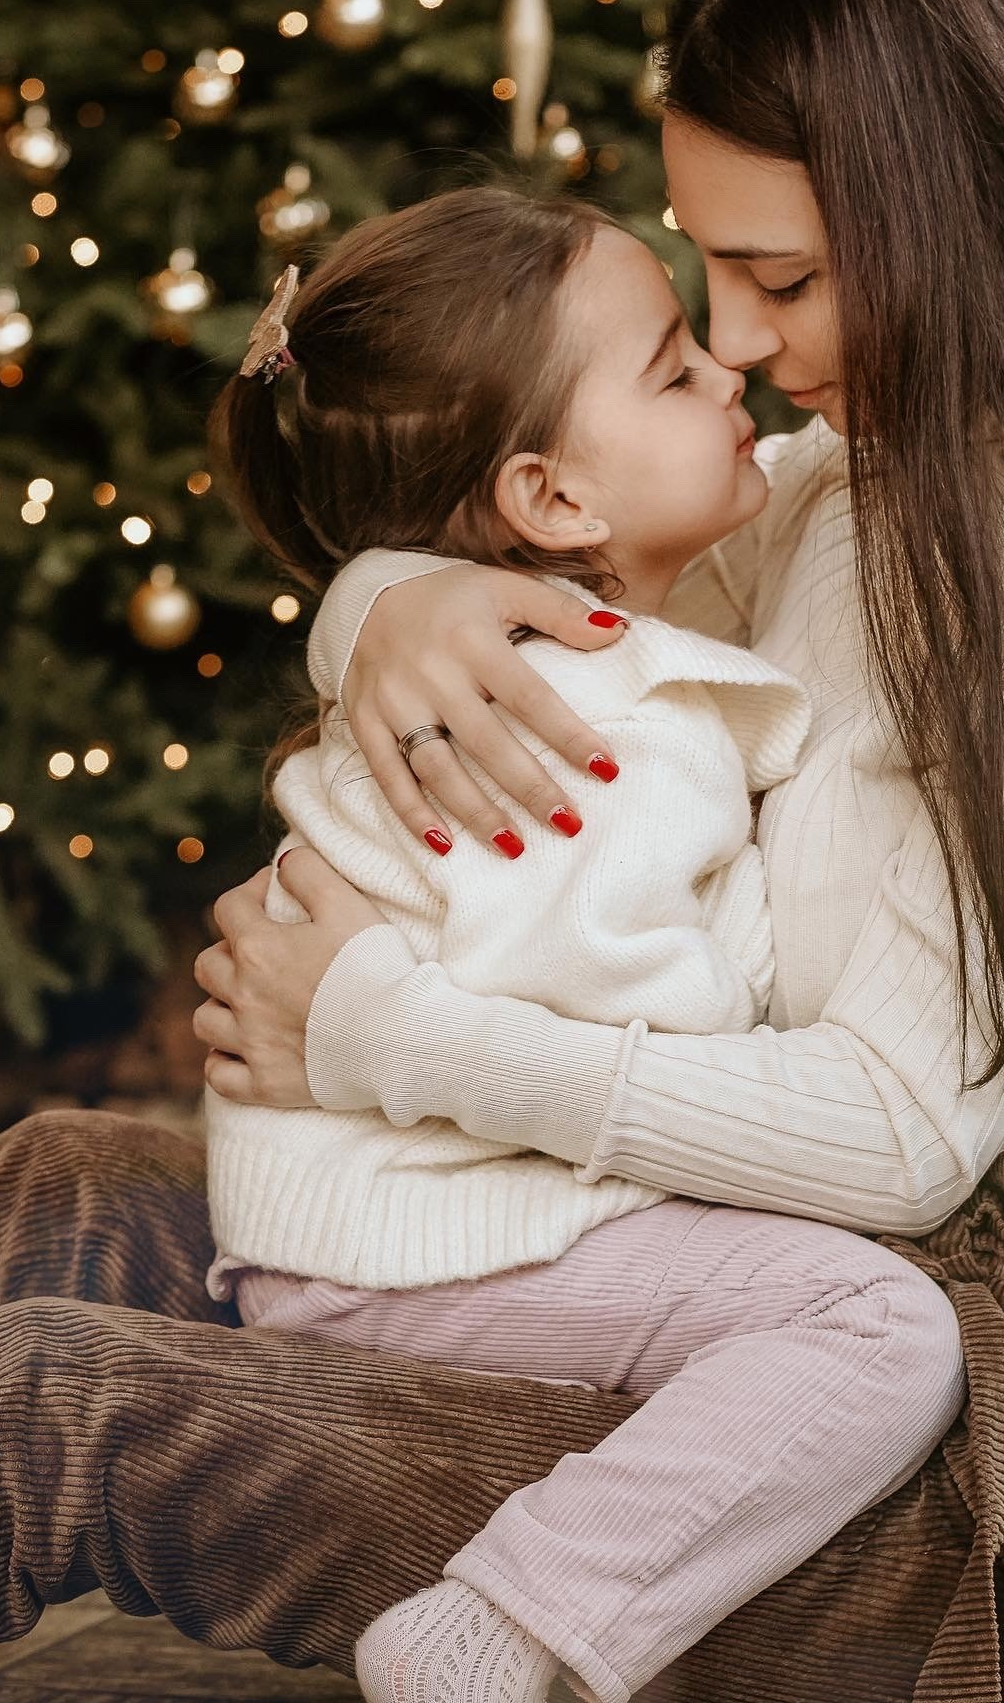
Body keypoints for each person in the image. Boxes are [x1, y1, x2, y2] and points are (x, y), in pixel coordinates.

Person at [0, 0, 1004, 1697]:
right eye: (708, 274)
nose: (732, 338)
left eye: (783, 282)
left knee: (49, 1413)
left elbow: (900, 1142)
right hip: (756, 1284)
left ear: (969, 221)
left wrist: (376, 1030)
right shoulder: (846, 492)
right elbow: (565, 558)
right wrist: (388, 605)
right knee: (59, 1186)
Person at [199, 184, 965, 1703]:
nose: (732, 369)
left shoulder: (505, 651)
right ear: (551, 503)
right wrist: (779, 986)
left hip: (369, 1218)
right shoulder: (594, 724)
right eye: (675, 371)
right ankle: (500, 1632)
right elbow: (630, 1028)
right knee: (880, 1324)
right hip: (422, 1246)